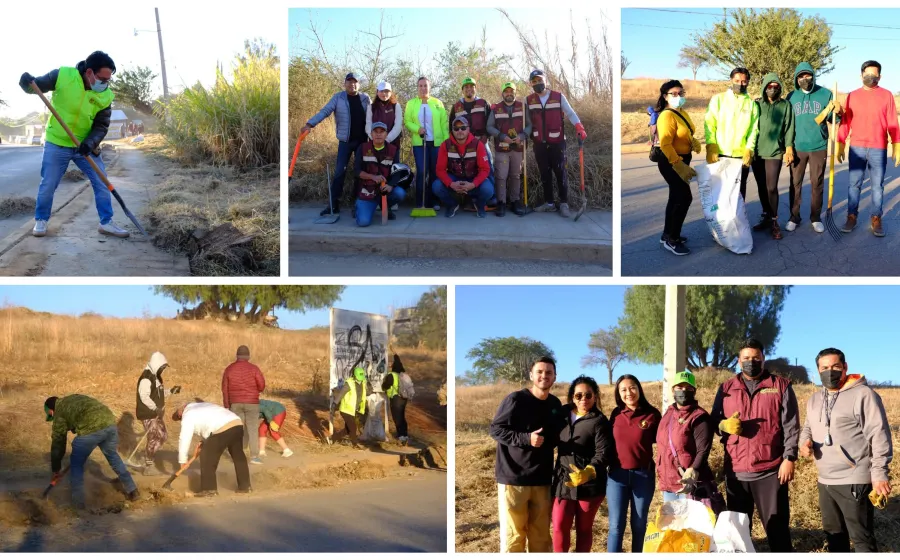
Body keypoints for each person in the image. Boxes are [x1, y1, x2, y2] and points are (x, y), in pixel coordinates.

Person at [19, 51, 131, 239]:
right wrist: (26, 83)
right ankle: (41, 219)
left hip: (84, 146)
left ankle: (106, 222)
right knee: (48, 183)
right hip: (58, 143)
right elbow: (35, 86)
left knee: (102, 182)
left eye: (108, 80)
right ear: (89, 73)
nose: (105, 83)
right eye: (102, 78)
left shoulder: (106, 96)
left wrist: (90, 143)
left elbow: (101, 125)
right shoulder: (62, 75)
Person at [800, 348, 893, 553]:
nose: (829, 371)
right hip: (825, 480)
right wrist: (804, 441)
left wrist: (879, 474)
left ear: (845, 367)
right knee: (834, 537)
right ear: (818, 370)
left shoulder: (863, 394)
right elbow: (808, 426)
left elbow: (879, 435)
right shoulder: (815, 399)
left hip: (854, 479)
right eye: (824, 368)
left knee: (861, 539)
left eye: (835, 366)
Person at [710, 338, 799, 552]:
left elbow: (791, 426)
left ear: (763, 358)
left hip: (770, 471)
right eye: (746, 358)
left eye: (756, 358)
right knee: (739, 535)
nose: (752, 361)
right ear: (739, 361)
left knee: (777, 530)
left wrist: (789, 458)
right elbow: (714, 421)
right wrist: (724, 425)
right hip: (736, 472)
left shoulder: (780, 386)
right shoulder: (727, 388)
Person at [489, 356, 565, 553]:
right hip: (514, 479)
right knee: (514, 537)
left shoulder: (555, 404)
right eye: (539, 372)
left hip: (542, 479)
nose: (544, 376)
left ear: (555, 377)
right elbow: (496, 430)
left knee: (540, 537)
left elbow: (557, 434)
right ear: (531, 375)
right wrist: (525, 439)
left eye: (549, 372)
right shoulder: (515, 400)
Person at [551, 375, 614, 553]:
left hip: (590, 484)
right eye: (578, 395)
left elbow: (604, 452)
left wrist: (589, 471)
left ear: (595, 396)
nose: (583, 399)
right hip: (563, 481)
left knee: (584, 529)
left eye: (588, 395)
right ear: (572, 396)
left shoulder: (599, 421)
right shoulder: (562, 414)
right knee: (559, 526)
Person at [837, 60, 900, 237]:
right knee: (854, 185)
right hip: (856, 147)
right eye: (867, 74)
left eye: (874, 74)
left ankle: (876, 218)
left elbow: (892, 122)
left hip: (878, 148)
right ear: (861, 75)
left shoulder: (887, 95)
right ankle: (851, 216)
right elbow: (846, 121)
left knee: (877, 186)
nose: (870, 77)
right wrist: (841, 143)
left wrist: (897, 143)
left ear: (880, 76)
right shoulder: (852, 96)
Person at [44, 394, 140, 509]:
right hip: (110, 424)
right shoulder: (73, 398)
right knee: (113, 457)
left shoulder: (59, 413)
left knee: (76, 465)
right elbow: (85, 412)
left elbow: (58, 443)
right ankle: (133, 490)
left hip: (91, 429)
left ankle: (78, 503)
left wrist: (56, 469)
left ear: (51, 410)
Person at [301, 73, 371, 216]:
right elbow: (325, 111)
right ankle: (333, 206)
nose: (352, 84)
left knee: (360, 174)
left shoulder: (365, 98)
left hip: (362, 143)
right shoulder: (338, 98)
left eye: (355, 82)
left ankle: (357, 204)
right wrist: (310, 124)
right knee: (340, 172)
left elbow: (373, 116)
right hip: (345, 142)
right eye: (349, 82)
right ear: (344, 83)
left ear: (359, 84)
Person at [607, 375, 661, 553]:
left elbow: (665, 442)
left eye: (632, 388)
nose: (628, 393)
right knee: (616, 526)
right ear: (618, 393)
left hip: (643, 476)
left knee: (639, 525)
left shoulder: (652, 414)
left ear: (639, 388)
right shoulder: (615, 414)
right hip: (617, 477)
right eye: (623, 389)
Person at [786, 62, 841, 234]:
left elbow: (834, 120)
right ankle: (794, 217)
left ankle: (815, 217)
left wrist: (838, 111)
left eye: (807, 75)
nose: (805, 79)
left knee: (817, 183)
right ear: (796, 78)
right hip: (797, 147)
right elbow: (787, 124)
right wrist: (787, 148)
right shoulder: (791, 97)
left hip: (819, 146)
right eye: (801, 76)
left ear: (813, 76)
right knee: (795, 183)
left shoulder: (825, 94)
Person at [526, 69, 586, 218]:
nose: (537, 83)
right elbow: (526, 122)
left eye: (540, 80)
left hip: (557, 142)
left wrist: (579, 127)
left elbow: (570, 113)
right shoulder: (529, 100)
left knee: (560, 172)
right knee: (544, 174)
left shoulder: (558, 97)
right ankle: (549, 203)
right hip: (539, 143)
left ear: (545, 81)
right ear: (531, 84)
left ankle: (564, 203)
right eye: (534, 81)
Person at [655, 80, 701, 256]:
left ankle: (667, 234)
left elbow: (687, 132)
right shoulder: (666, 116)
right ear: (665, 96)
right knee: (684, 197)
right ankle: (672, 240)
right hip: (671, 162)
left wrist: (692, 141)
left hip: (682, 159)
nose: (678, 96)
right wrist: (678, 164)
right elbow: (665, 144)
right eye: (674, 93)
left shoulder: (681, 112)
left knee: (675, 197)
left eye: (681, 93)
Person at [172, 399, 251, 497]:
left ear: (181, 412)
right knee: (238, 455)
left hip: (222, 428)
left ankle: (209, 489)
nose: (180, 419)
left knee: (207, 456)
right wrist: (205, 441)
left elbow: (184, 438)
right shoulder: (201, 406)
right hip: (237, 423)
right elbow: (209, 423)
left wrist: (182, 460)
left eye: (179, 417)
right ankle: (245, 486)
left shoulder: (188, 415)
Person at [656, 370, 714, 503]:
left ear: (694, 391)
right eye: (680, 387)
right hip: (669, 483)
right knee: (673, 523)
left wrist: (694, 470)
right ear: (673, 390)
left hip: (690, 484)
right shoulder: (669, 413)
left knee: (692, 523)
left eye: (688, 388)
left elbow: (703, 450)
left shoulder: (699, 417)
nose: (683, 391)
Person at [751, 73, 795, 240]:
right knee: (761, 186)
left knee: (771, 187)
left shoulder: (785, 105)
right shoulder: (756, 105)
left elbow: (789, 127)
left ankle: (775, 220)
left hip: (775, 152)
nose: (773, 89)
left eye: (776, 87)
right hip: (756, 152)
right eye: (770, 86)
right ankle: (766, 216)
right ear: (764, 87)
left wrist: (788, 148)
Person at [704, 67, 760, 199]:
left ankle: (737, 219)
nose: (740, 84)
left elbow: (753, 129)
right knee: (720, 191)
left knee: (739, 193)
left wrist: (749, 149)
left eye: (744, 81)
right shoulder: (718, 99)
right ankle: (721, 220)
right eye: (737, 80)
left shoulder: (752, 105)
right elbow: (710, 123)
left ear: (748, 82)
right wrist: (711, 145)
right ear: (731, 80)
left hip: (741, 156)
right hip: (720, 153)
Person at [432, 115, 495, 218]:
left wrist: (473, 184)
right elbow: (440, 170)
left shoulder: (478, 144)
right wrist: (451, 184)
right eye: (456, 128)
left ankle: (479, 205)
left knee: (488, 190)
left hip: (473, 178)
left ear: (468, 129)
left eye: (463, 128)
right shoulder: (445, 145)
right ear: (452, 130)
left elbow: (485, 169)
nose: (459, 131)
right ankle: (452, 204)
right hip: (454, 178)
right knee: (436, 186)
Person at [404, 76, 449, 211]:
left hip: (436, 143)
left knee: (435, 172)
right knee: (422, 171)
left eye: (425, 86)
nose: (423, 88)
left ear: (430, 87)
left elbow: (443, 123)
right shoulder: (411, 103)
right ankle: (420, 201)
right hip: (420, 143)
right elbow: (407, 121)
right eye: (420, 86)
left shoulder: (438, 103)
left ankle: (433, 201)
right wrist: (418, 129)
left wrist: (446, 142)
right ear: (417, 87)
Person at [486, 82, 531, 217]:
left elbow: (529, 125)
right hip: (502, 148)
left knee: (516, 176)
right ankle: (501, 202)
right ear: (502, 93)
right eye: (506, 91)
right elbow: (489, 127)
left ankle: (515, 201)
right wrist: (501, 136)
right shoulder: (496, 108)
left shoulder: (523, 107)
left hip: (518, 148)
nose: (509, 94)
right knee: (501, 176)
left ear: (515, 93)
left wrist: (522, 136)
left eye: (511, 91)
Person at [135, 351, 181, 476]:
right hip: (148, 413)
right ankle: (148, 465)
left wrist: (171, 391)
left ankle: (147, 459)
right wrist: (155, 408)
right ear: (157, 365)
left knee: (163, 436)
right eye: (163, 367)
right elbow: (144, 396)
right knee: (155, 436)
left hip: (155, 413)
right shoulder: (146, 378)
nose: (163, 370)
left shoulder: (155, 377)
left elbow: (157, 393)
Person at [221, 345, 266, 465]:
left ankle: (237, 456)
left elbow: (224, 388)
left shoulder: (229, 369)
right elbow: (261, 385)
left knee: (236, 430)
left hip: (235, 403)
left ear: (237, 355)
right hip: (252, 403)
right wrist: (256, 391)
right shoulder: (254, 369)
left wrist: (226, 404)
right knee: (252, 429)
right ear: (248, 356)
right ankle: (254, 457)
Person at [353, 122, 404, 226]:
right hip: (367, 191)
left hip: (384, 190)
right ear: (371, 134)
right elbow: (356, 171)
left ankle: (385, 206)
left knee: (399, 193)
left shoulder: (393, 150)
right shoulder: (362, 148)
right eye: (375, 132)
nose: (378, 134)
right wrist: (372, 177)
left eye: (382, 132)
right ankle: (359, 206)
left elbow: (397, 171)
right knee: (363, 222)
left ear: (386, 134)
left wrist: (390, 186)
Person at [382, 353, 415, 445]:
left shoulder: (391, 375)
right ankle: (405, 435)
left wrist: (383, 386)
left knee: (397, 418)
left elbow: (386, 386)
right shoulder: (403, 375)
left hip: (395, 398)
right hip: (403, 398)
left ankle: (401, 437)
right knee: (402, 417)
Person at [366, 81, 403, 155]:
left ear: (391, 92)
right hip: (375, 144)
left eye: (386, 91)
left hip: (393, 144)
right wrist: (375, 139)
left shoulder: (396, 106)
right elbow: (368, 124)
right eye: (381, 91)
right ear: (377, 92)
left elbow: (398, 126)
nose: (384, 94)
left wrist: (386, 140)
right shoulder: (371, 107)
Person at [335, 367, 368, 445]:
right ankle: (355, 443)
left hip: (353, 410)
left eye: (361, 377)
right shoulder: (349, 383)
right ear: (354, 376)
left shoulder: (363, 382)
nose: (360, 379)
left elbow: (364, 394)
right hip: (346, 409)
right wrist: (335, 404)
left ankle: (331, 439)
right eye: (358, 377)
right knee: (353, 427)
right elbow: (341, 394)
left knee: (347, 429)